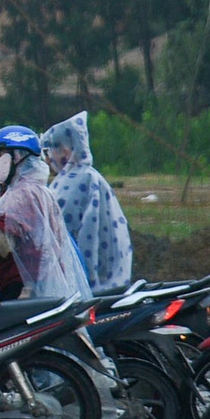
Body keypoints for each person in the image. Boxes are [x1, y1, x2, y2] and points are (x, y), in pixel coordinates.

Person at [0, 124, 90, 301]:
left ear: (17, 157)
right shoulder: (33, 189)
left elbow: (2, 238)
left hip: (21, 288)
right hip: (36, 283)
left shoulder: (24, 193)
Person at [41, 111, 133, 292]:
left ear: (65, 150)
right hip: (112, 278)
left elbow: (57, 230)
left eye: (50, 150)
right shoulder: (90, 176)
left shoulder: (73, 182)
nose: (48, 158)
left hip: (89, 283)